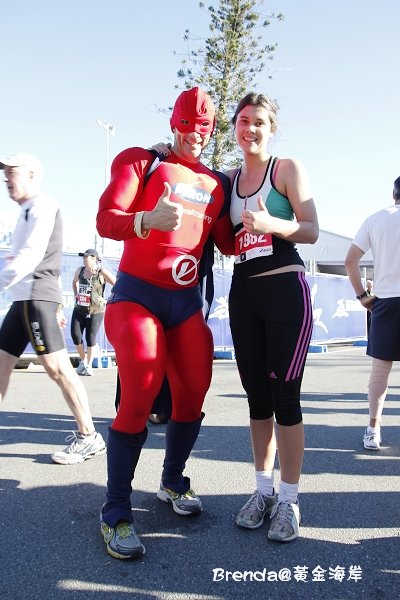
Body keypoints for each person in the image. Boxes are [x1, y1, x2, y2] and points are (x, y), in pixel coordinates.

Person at [96, 87, 234, 560]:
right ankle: (115, 510)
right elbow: (106, 218)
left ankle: (172, 481)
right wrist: (145, 220)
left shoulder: (217, 184)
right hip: (136, 298)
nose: (195, 133)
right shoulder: (141, 161)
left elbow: (229, 241)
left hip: (185, 304)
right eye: (187, 123)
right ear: (173, 122)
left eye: (204, 126)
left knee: (194, 390)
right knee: (139, 389)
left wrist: (269, 211)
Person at [226, 93, 318, 543]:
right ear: (235, 127)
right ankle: (262, 491)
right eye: (243, 121)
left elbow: (312, 229)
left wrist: (272, 226)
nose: (251, 129)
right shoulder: (227, 178)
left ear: (272, 128)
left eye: (259, 121)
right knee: (256, 397)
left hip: (285, 289)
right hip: (244, 293)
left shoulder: (286, 168)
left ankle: (288, 499)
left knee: (285, 397)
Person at [0, 153, 106, 465]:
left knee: (58, 369)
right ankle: (88, 435)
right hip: (21, 301)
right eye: (4, 173)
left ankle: (89, 436)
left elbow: (30, 255)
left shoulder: (43, 206)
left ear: (32, 175)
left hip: (38, 298)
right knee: (1, 366)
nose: (6, 178)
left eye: (12, 172)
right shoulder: (24, 212)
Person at [345, 177, 400, 451]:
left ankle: (373, 429)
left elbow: (350, 260)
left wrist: (362, 296)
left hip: (386, 301)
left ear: (394, 195)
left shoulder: (376, 218)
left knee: (380, 372)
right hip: (387, 300)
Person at [71, 248, 115, 376]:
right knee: (76, 335)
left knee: (90, 338)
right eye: (83, 257)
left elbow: (116, 284)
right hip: (80, 309)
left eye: (87, 257)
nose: (84, 259)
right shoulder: (80, 270)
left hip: (96, 311)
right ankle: (83, 362)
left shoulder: (101, 272)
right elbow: (74, 282)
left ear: (94, 258)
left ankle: (89, 365)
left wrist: (107, 299)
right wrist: (75, 294)